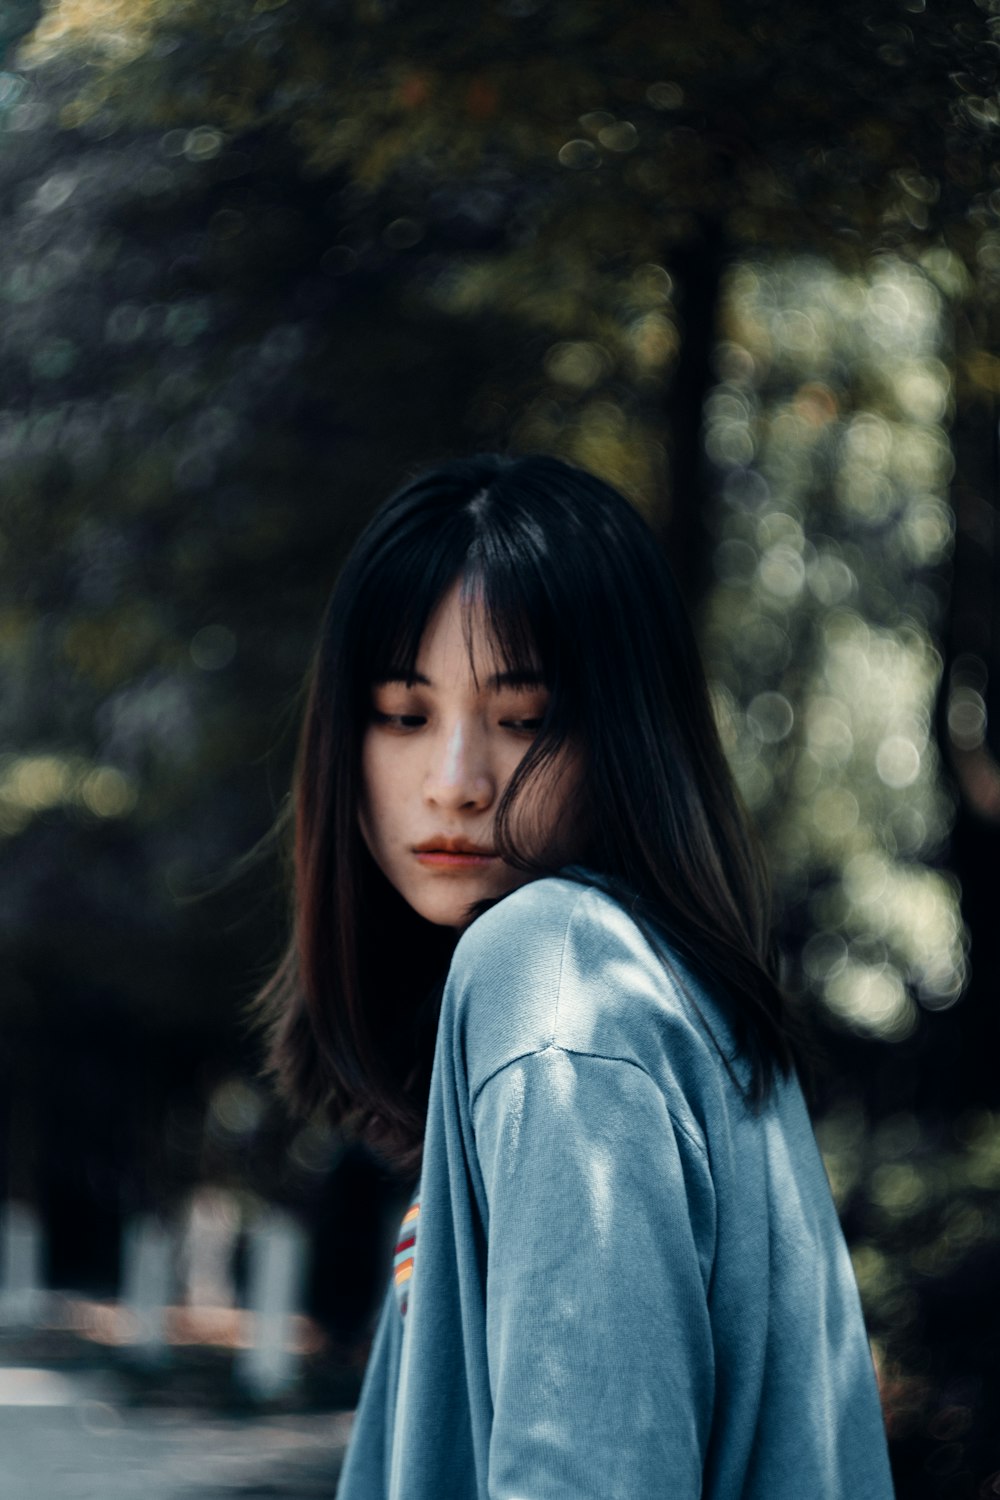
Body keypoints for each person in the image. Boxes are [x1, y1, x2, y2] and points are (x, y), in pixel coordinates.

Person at [257, 453, 895, 1498]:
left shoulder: (555, 982)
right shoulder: (650, 994)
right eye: (404, 715)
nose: (457, 783)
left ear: (625, 737)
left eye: (524, 718)